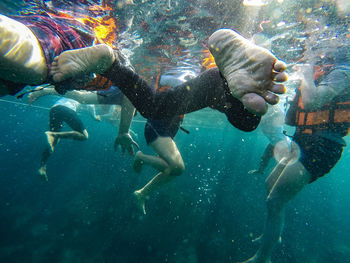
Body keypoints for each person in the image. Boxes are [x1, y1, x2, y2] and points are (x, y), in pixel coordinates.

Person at [49, 29, 288, 132]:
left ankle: (110, 63)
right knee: (247, 122)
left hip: (216, 80)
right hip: (222, 86)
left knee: (154, 107)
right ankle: (109, 65)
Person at [241, 46, 350, 263]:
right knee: (270, 184)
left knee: (275, 200)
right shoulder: (327, 71)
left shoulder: (343, 72)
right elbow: (297, 113)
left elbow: (311, 102)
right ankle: (274, 232)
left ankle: (263, 257)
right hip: (303, 140)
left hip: (323, 145)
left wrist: (307, 72)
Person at [132, 72, 192, 215]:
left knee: (171, 170)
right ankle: (140, 157)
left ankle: (141, 194)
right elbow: (166, 81)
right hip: (157, 126)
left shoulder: (192, 78)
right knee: (177, 168)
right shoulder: (175, 74)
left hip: (170, 126)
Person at [28, 85, 138, 155]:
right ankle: (45, 91)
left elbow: (114, 122)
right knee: (82, 98)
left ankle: (45, 91)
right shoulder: (121, 106)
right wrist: (124, 132)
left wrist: (127, 132)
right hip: (113, 89)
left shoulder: (116, 113)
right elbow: (129, 98)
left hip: (112, 95)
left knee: (82, 99)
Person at [36, 97, 89, 181]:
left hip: (54, 109)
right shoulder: (87, 94)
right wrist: (96, 116)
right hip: (67, 109)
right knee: (84, 136)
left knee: (53, 141)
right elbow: (92, 109)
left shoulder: (71, 91)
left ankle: (42, 167)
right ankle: (53, 134)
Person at [248, 104, 291, 175]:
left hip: (283, 143)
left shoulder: (276, 112)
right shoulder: (264, 113)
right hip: (275, 142)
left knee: (284, 164)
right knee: (265, 157)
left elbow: (282, 117)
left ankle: (286, 176)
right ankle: (261, 170)